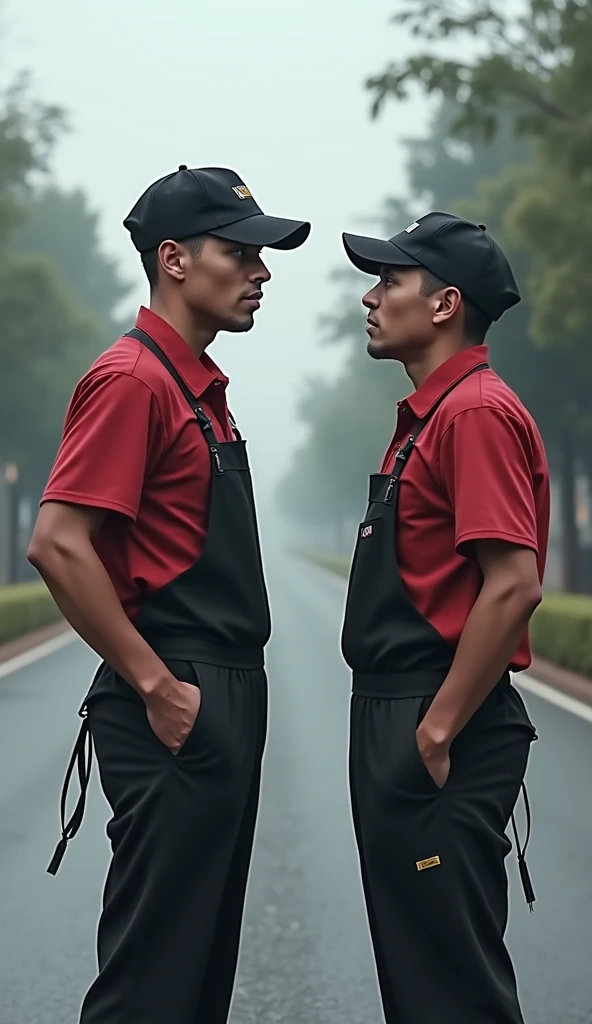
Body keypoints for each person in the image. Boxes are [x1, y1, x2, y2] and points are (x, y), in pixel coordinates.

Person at [27, 165, 310, 1024]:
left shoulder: (197, 389)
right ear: (175, 260)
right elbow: (58, 542)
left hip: (218, 693)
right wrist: (157, 687)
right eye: (242, 252)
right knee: (153, 982)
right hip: (176, 699)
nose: (262, 271)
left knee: (197, 975)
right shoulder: (134, 381)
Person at [340, 212, 548, 1024]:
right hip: (404, 714)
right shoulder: (434, 413)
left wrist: (435, 732)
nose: (371, 297)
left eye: (389, 281)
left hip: (440, 725)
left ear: (443, 304)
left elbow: (514, 585)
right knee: (420, 975)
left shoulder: (473, 414)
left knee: (450, 988)